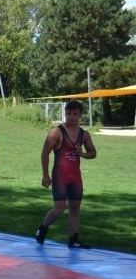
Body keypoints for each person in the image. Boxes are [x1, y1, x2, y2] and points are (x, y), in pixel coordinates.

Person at [36, 100, 97, 249]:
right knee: (59, 207)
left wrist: (82, 154)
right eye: (68, 114)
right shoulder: (56, 132)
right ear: (65, 113)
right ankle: (42, 228)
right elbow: (45, 154)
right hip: (60, 176)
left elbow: (93, 153)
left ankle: (74, 239)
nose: (71, 117)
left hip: (75, 177)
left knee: (75, 207)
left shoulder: (84, 134)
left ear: (80, 115)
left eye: (75, 114)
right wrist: (45, 175)